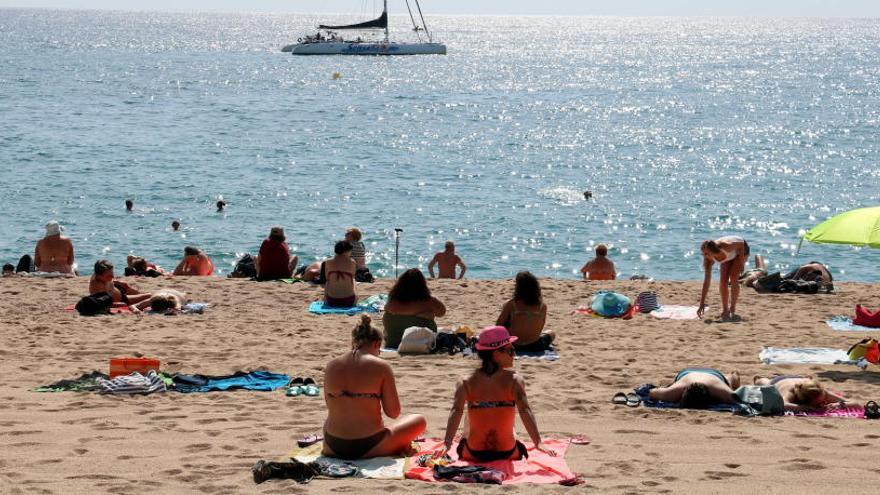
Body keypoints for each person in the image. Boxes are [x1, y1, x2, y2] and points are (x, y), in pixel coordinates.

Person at [435, 326, 556, 461]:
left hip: (472, 453)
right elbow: (525, 410)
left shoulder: (465, 381)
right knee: (508, 414)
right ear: (496, 353)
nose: (514, 354)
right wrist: (538, 443)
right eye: (511, 350)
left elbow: (456, 411)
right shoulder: (515, 380)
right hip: (508, 453)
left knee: (471, 411)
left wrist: (447, 443)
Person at [322, 315, 426, 460]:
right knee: (419, 420)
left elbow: (330, 406)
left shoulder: (331, 365)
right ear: (377, 344)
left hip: (333, 446)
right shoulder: (381, 366)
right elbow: (393, 413)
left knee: (331, 418)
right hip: (369, 446)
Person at [383, 268, 446, 348]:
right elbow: (442, 312)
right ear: (422, 285)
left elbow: (387, 308)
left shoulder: (393, 301)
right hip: (422, 344)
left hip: (394, 343)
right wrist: (423, 314)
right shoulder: (429, 301)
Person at [496, 271, 555, 352]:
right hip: (535, 345)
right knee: (551, 333)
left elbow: (498, 326)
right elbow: (540, 327)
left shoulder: (512, 304)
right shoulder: (542, 306)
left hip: (513, 344)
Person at [698, 236, 749, 320]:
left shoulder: (725, 246)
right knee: (723, 281)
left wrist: (741, 262)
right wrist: (701, 303)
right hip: (729, 256)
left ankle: (732, 307)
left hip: (741, 249)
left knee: (733, 277)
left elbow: (741, 244)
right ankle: (725, 309)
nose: (704, 256)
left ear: (713, 251)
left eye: (706, 253)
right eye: (703, 254)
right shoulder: (708, 260)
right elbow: (706, 282)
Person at [648, 368, 741, 408]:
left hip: (707, 375)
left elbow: (652, 392)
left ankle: (732, 377)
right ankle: (732, 376)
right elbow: (652, 392)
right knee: (729, 387)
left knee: (729, 383)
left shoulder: (718, 390)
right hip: (689, 374)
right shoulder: (674, 392)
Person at [753, 375, 850, 411]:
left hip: (801, 380)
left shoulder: (821, 392)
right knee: (766, 383)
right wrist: (804, 408)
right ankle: (760, 379)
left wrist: (840, 404)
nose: (823, 402)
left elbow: (854, 403)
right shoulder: (791, 392)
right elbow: (783, 404)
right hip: (780, 382)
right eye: (817, 402)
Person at [323, 240, 357, 307]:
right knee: (353, 280)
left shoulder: (328, 262)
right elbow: (352, 276)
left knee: (328, 281)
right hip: (349, 301)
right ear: (346, 251)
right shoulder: (352, 262)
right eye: (350, 251)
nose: (351, 253)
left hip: (331, 300)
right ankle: (355, 300)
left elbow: (327, 278)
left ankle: (325, 300)